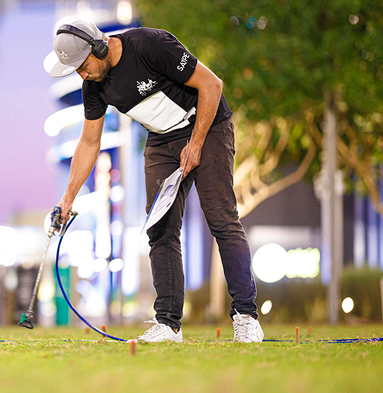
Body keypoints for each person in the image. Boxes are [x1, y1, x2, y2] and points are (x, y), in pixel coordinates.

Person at [48, 20, 263, 343]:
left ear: (100, 47)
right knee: (159, 229)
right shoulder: (94, 84)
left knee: (221, 219)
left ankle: (246, 317)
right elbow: (89, 142)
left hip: (207, 125)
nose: (82, 74)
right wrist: (68, 198)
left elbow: (212, 85)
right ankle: (168, 325)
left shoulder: (150, 45)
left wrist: (198, 143)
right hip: (162, 141)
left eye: (83, 65)